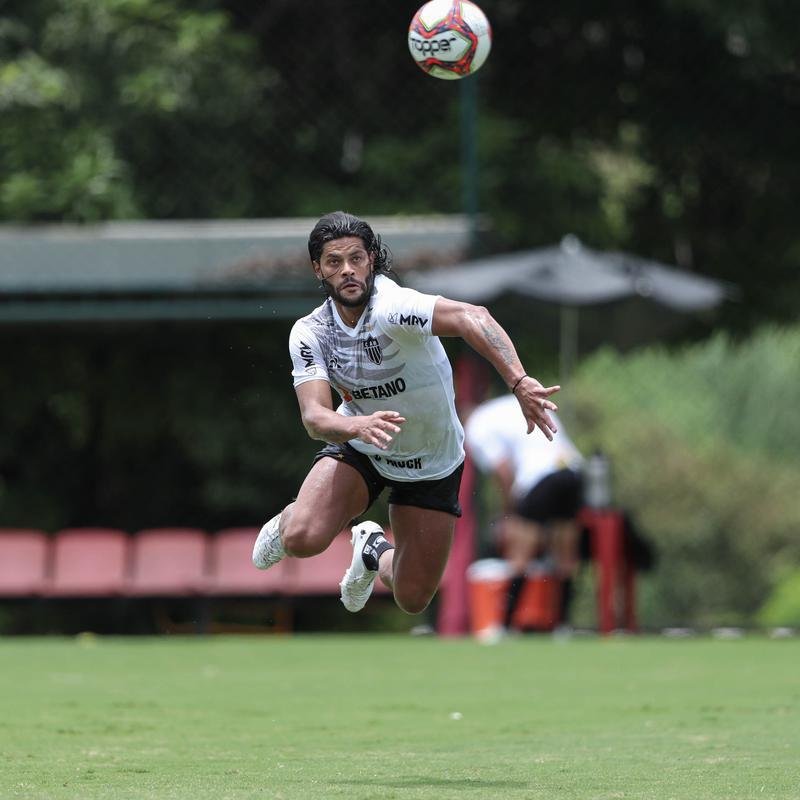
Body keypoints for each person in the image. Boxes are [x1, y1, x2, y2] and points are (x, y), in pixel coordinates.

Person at [252, 210, 560, 617]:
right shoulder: (311, 332)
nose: (347, 270)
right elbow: (314, 418)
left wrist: (519, 381)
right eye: (334, 262)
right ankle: (287, 522)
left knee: (412, 597)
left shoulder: (394, 308)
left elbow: (474, 318)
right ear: (318, 270)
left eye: (356, 259)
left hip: (431, 460)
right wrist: (356, 424)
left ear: (372, 261)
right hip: (362, 447)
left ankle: (372, 550)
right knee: (302, 538)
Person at [464, 393, 585, 632]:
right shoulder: (502, 407)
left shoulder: (474, 427)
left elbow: (504, 471)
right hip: (572, 470)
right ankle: (563, 626)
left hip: (539, 476)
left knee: (520, 556)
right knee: (566, 557)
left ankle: (505, 626)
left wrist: (509, 515)